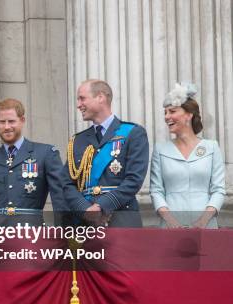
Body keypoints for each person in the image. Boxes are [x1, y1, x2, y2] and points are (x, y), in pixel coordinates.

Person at [62, 79, 149, 227]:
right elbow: (66, 184)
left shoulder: (133, 133)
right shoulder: (78, 140)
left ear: (100, 97)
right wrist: (85, 209)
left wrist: (100, 206)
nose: (78, 105)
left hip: (122, 220)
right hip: (85, 223)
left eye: (82, 98)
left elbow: (134, 180)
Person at [150, 83, 225, 228]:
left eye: (172, 111)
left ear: (189, 115)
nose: (167, 117)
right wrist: (170, 221)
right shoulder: (160, 149)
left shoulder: (211, 147)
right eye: (165, 113)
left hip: (206, 225)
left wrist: (203, 221)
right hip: (170, 226)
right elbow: (156, 190)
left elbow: (218, 189)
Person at [0, 98, 66, 223]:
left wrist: (63, 231)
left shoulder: (45, 153)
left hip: (31, 234)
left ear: (22, 120)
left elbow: (60, 197)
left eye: (11, 121)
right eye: (2, 122)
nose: (7, 127)